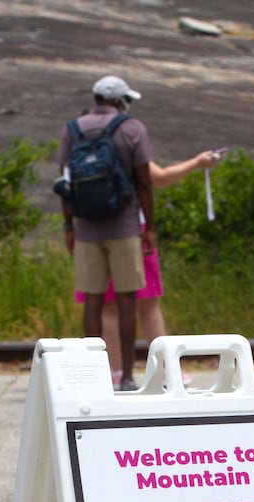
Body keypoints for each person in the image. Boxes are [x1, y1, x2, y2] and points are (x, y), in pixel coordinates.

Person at [93, 150, 224, 387]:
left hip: (95, 231)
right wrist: (197, 162)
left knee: (108, 306)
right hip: (132, 230)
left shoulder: (82, 139)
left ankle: (116, 373)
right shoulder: (128, 139)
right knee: (148, 303)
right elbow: (160, 178)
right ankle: (166, 372)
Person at [59, 75, 155, 392]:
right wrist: (149, 227)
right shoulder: (132, 129)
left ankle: (95, 376)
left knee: (93, 301)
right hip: (124, 225)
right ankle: (126, 376)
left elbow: (65, 182)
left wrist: (68, 225)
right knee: (127, 299)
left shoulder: (72, 129)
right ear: (119, 101)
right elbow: (144, 182)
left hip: (86, 228)